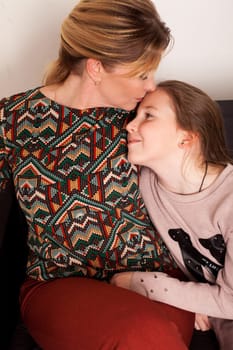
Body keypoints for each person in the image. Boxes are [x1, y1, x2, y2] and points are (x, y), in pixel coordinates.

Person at [0, 1, 195, 349]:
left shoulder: (144, 117)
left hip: (156, 280)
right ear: (96, 68)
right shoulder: (12, 120)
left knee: (154, 333)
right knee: (147, 333)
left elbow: (201, 179)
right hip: (60, 285)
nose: (152, 86)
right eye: (141, 74)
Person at [111, 79, 233, 350]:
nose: (129, 125)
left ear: (186, 137)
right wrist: (195, 301)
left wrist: (139, 283)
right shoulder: (142, 182)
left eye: (149, 116)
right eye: (135, 115)